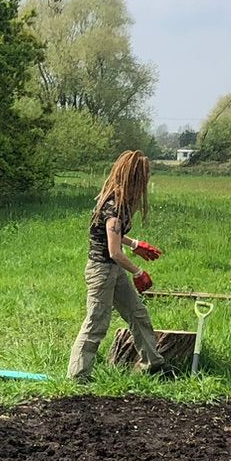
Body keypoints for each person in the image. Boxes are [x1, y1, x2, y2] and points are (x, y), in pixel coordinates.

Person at [68, 149, 166, 382]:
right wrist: (138, 271)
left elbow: (115, 236)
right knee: (97, 322)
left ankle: (152, 364)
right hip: (101, 271)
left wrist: (135, 244)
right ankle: (78, 377)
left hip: (113, 269)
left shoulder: (120, 202)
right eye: (144, 177)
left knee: (137, 313)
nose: (147, 181)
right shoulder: (113, 206)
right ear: (134, 178)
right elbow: (113, 251)